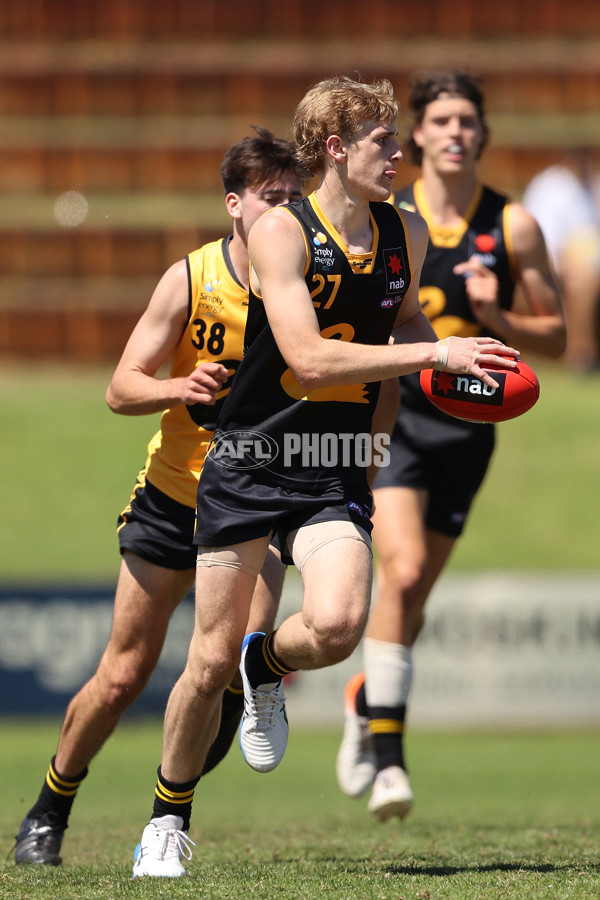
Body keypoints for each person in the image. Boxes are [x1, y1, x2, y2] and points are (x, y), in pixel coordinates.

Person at [130, 75, 520, 878]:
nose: (400, 150)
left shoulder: (403, 233)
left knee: (340, 626)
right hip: (248, 458)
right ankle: (167, 820)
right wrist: (434, 352)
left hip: (332, 462)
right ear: (337, 150)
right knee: (204, 660)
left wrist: (449, 367)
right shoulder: (281, 233)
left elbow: (406, 317)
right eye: (384, 139)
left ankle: (264, 663)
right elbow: (307, 363)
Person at [14, 126, 305, 866]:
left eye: (296, 200)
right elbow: (120, 387)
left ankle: (163, 820)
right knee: (121, 676)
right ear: (234, 205)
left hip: (257, 505)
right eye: (273, 199)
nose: (287, 214)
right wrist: (181, 385)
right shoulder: (192, 279)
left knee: (237, 665)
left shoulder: (307, 279)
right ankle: (51, 808)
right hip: (175, 499)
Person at [336, 70, 566, 823]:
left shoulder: (515, 225)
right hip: (400, 414)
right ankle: (390, 764)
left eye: (468, 119)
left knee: (415, 599)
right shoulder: (389, 219)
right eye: (441, 120)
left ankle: (366, 696)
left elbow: (558, 337)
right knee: (397, 575)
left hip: (472, 429)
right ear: (421, 135)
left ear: (482, 132)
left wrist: (501, 313)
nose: (456, 131)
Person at [522, 148, 600, 373]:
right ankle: (582, 353)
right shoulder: (549, 187)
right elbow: (544, 240)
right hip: (554, 261)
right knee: (584, 282)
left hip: (588, 260)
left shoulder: (593, 184)